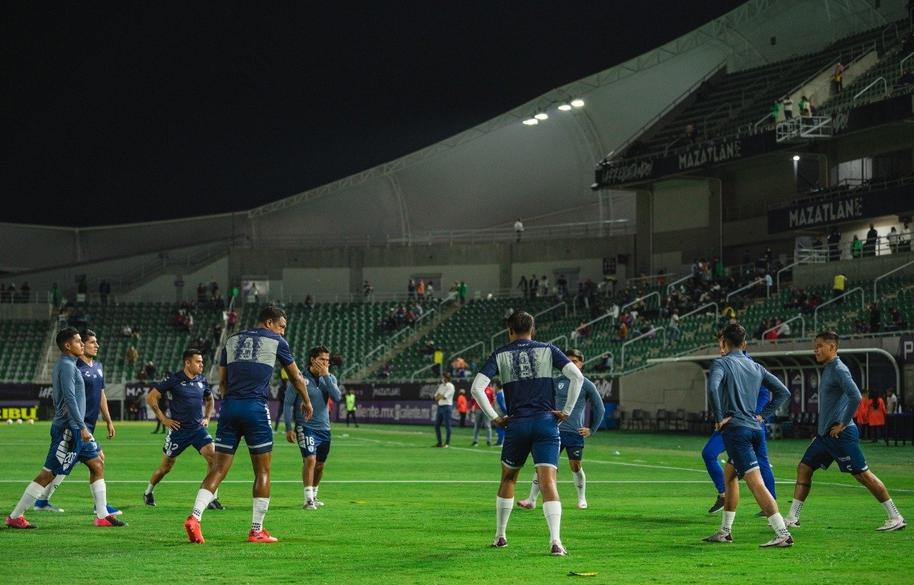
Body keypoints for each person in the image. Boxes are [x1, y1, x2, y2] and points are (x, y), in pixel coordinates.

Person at [183, 306, 313, 544]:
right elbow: (295, 376)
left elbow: (222, 382)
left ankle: (195, 516)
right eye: (282, 326)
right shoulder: (276, 341)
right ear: (270, 322)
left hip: (230, 407)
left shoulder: (232, 340)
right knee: (262, 471)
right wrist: (306, 400)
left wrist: (233, 399)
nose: (283, 332)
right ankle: (256, 530)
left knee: (218, 469)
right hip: (255, 409)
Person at [470, 311, 584, 556]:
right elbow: (577, 377)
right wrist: (566, 411)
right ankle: (556, 542)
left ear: (509, 331)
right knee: (548, 482)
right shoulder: (548, 349)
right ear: (533, 330)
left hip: (517, 424)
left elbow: (477, 388)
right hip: (546, 424)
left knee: (508, 479)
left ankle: (500, 536)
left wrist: (495, 417)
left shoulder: (500, 354)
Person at [784, 332, 905, 532]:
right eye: (816, 346)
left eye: (821, 346)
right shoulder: (829, 369)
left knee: (862, 476)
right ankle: (792, 517)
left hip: (841, 435)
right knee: (804, 468)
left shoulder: (839, 369)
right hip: (825, 437)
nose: (816, 349)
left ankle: (895, 516)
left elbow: (856, 396)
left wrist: (843, 423)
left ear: (833, 348)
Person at [6, 328, 124, 529]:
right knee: (48, 473)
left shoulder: (67, 364)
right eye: (78, 341)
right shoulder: (68, 366)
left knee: (97, 464)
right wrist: (81, 427)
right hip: (69, 431)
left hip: (76, 429)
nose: (81, 344)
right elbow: (70, 399)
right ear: (68, 346)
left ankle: (102, 514)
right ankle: (16, 516)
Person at [702, 323, 792, 547]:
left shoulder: (721, 363)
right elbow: (783, 392)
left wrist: (719, 417)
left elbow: (713, 388)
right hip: (754, 429)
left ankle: (782, 533)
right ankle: (725, 531)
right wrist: (762, 416)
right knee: (730, 475)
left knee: (755, 483)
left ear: (723, 342)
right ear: (744, 344)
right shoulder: (756, 367)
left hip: (737, 432)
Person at [33, 329, 122, 516]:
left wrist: (108, 420)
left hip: (88, 424)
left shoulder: (97, 366)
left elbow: (101, 394)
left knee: (74, 464)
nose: (95, 345)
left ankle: (42, 501)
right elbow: (68, 396)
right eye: (91, 342)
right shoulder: (75, 366)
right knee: (89, 462)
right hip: (77, 424)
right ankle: (100, 508)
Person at [518, 348, 605, 510]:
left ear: (581, 364)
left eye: (575, 361)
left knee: (575, 466)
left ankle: (581, 498)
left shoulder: (586, 384)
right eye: (569, 360)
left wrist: (592, 429)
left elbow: (600, 408)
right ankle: (531, 500)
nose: (571, 363)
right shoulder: (556, 381)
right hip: (553, 431)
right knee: (544, 466)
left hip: (574, 433)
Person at [702, 349, 778, 515]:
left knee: (759, 464)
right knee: (711, 455)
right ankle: (723, 497)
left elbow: (766, 392)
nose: (721, 348)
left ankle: (772, 508)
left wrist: (758, 415)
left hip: (745, 424)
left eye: (724, 343)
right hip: (730, 423)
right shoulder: (724, 364)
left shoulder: (750, 365)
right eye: (720, 344)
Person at [143, 349, 222, 510]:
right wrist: (164, 419)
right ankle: (148, 492)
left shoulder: (202, 380)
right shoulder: (173, 380)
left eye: (202, 361)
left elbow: (209, 399)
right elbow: (151, 397)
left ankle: (211, 497)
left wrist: (207, 417)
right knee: (166, 467)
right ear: (187, 363)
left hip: (198, 430)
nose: (202, 364)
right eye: (198, 361)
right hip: (178, 431)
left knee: (214, 459)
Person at [284, 345, 341, 510]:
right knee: (310, 459)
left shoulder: (330, 378)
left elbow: (337, 397)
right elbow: (287, 404)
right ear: (312, 359)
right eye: (322, 359)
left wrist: (326, 376)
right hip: (305, 426)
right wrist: (289, 427)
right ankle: (308, 499)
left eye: (327, 360)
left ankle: (314, 495)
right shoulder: (299, 378)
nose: (325, 363)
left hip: (324, 428)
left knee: (320, 465)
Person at [433, 373, 455, 448]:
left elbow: (445, 397)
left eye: (443, 377)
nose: (442, 378)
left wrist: (440, 395)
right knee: (436, 425)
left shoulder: (450, 386)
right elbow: (435, 397)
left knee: (447, 426)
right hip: (440, 406)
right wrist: (440, 396)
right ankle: (439, 442)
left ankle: (447, 443)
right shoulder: (441, 386)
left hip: (447, 406)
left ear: (446, 377)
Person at [471, 382, 495, 447]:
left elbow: (493, 400)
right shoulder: (478, 389)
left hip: (487, 410)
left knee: (487, 425)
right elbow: (473, 399)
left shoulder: (490, 390)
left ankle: (489, 441)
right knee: (477, 425)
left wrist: (491, 409)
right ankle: (475, 441)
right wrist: (473, 407)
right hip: (478, 409)